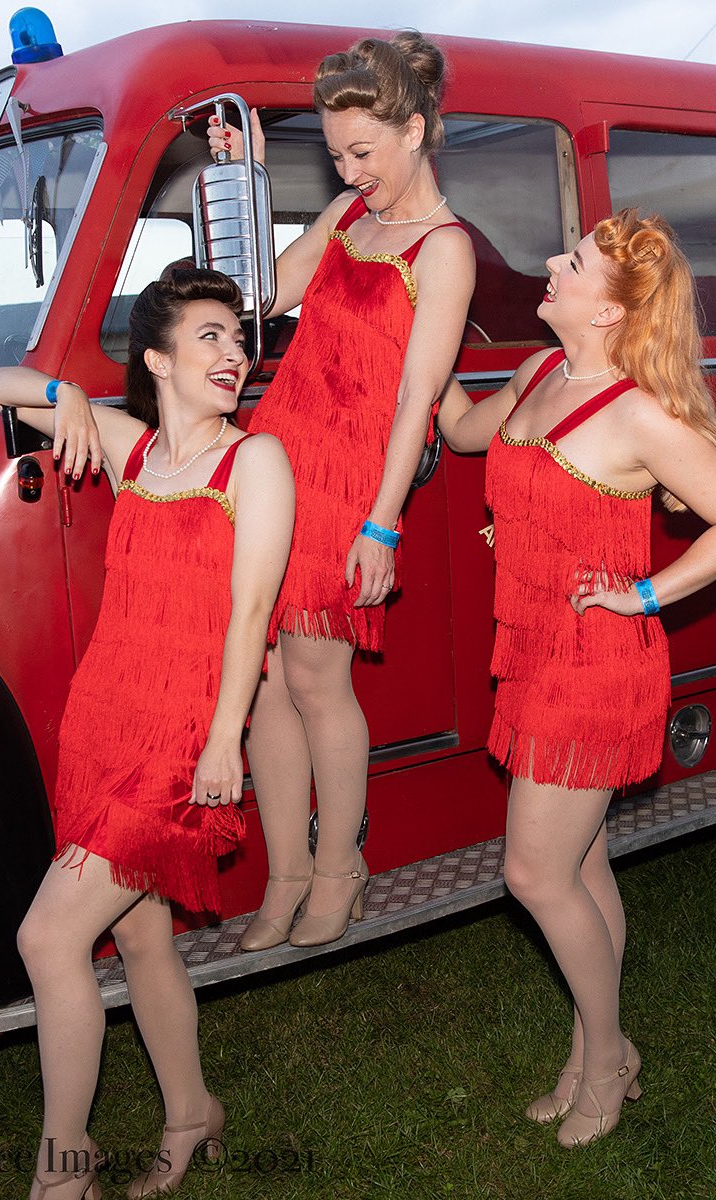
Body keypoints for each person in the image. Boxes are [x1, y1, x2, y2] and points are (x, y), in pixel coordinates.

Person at [438, 210, 716, 1147]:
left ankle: (610, 1056)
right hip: (530, 650)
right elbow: (465, 435)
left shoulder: (639, 412)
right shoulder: (540, 371)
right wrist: (409, 357)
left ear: (614, 309)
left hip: (594, 666)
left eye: (573, 261)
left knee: (533, 873)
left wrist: (643, 594)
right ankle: (594, 1055)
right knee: (581, 865)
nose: (550, 261)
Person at [0, 267, 294, 1198]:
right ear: (157, 358)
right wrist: (63, 392)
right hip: (101, 721)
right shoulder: (132, 449)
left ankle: (60, 1172)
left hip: (179, 735)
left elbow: (251, 615)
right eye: (210, 336)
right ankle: (191, 1110)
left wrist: (224, 736)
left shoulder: (257, 462)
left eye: (238, 338)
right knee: (145, 939)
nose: (234, 352)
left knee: (47, 940)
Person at [206, 32, 475, 951]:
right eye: (334, 155)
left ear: (416, 129)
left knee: (319, 680)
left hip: (349, 477)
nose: (350, 170)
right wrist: (246, 191)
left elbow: (417, 400)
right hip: (277, 456)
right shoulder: (351, 219)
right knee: (267, 679)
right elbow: (267, 297)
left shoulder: (444, 247)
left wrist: (382, 525)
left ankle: (339, 869)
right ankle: (283, 878)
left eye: (363, 152)